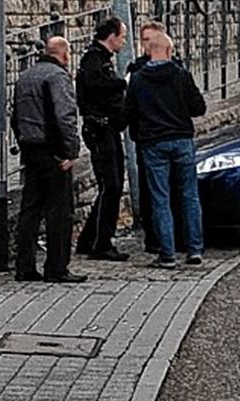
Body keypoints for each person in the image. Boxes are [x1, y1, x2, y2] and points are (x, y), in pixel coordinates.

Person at [124, 28, 207, 269]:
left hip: (153, 142)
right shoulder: (181, 75)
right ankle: (194, 250)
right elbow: (198, 108)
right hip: (181, 139)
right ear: (169, 50)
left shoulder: (138, 78)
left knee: (160, 199)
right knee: (189, 196)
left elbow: (129, 112)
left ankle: (167, 254)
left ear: (149, 51)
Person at [11, 37, 86, 283]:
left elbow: (16, 116)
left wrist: (23, 143)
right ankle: (56, 267)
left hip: (31, 149)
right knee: (60, 211)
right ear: (64, 55)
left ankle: (25, 267)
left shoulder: (25, 77)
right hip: (53, 151)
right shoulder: (57, 77)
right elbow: (65, 116)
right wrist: (70, 151)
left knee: (30, 209)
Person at [75, 16, 130, 262]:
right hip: (100, 129)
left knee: (113, 184)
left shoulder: (100, 59)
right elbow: (97, 86)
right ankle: (101, 243)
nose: (124, 41)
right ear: (111, 37)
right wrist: (123, 83)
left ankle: (90, 239)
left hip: (108, 129)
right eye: (122, 36)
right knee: (111, 185)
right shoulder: (94, 60)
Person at [127, 21, 183, 255]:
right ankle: (155, 238)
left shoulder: (177, 69)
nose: (150, 44)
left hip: (170, 134)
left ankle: (175, 238)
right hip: (147, 137)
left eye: (154, 39)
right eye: (146, 40)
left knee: (176, 189)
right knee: (151, 191)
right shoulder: (137, 70)